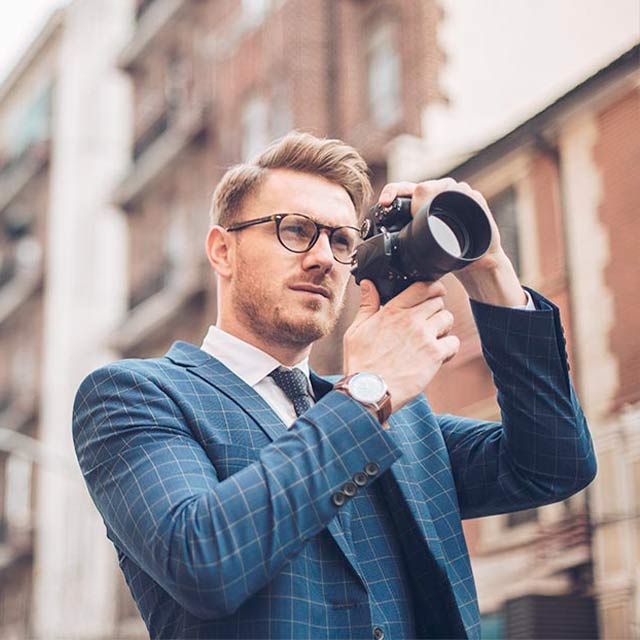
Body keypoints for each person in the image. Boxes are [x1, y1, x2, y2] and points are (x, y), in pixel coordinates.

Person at [73, 131, 596, 640]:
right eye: (296, 230)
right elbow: (203, 559)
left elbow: (554, 465)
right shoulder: (133, 395)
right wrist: (369, 391)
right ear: (222, 251)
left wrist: (490, 271)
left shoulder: (400, 417)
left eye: (342, 240)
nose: (324, 257)